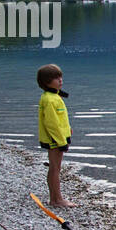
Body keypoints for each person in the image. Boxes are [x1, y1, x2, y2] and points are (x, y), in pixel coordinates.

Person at [36, 64, 75, 208]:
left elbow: (60, 119)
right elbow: (51, 123)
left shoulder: (53, 96)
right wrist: (61, 142)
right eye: (56, 78)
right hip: (55, 140)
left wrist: (68, 130)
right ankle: (57, 200)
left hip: (58, 138)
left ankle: (54, 198)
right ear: (46, 82)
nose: (60, 80)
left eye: (60, 77)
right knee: (55, 168)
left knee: (54, 168)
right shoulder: (50, 99)